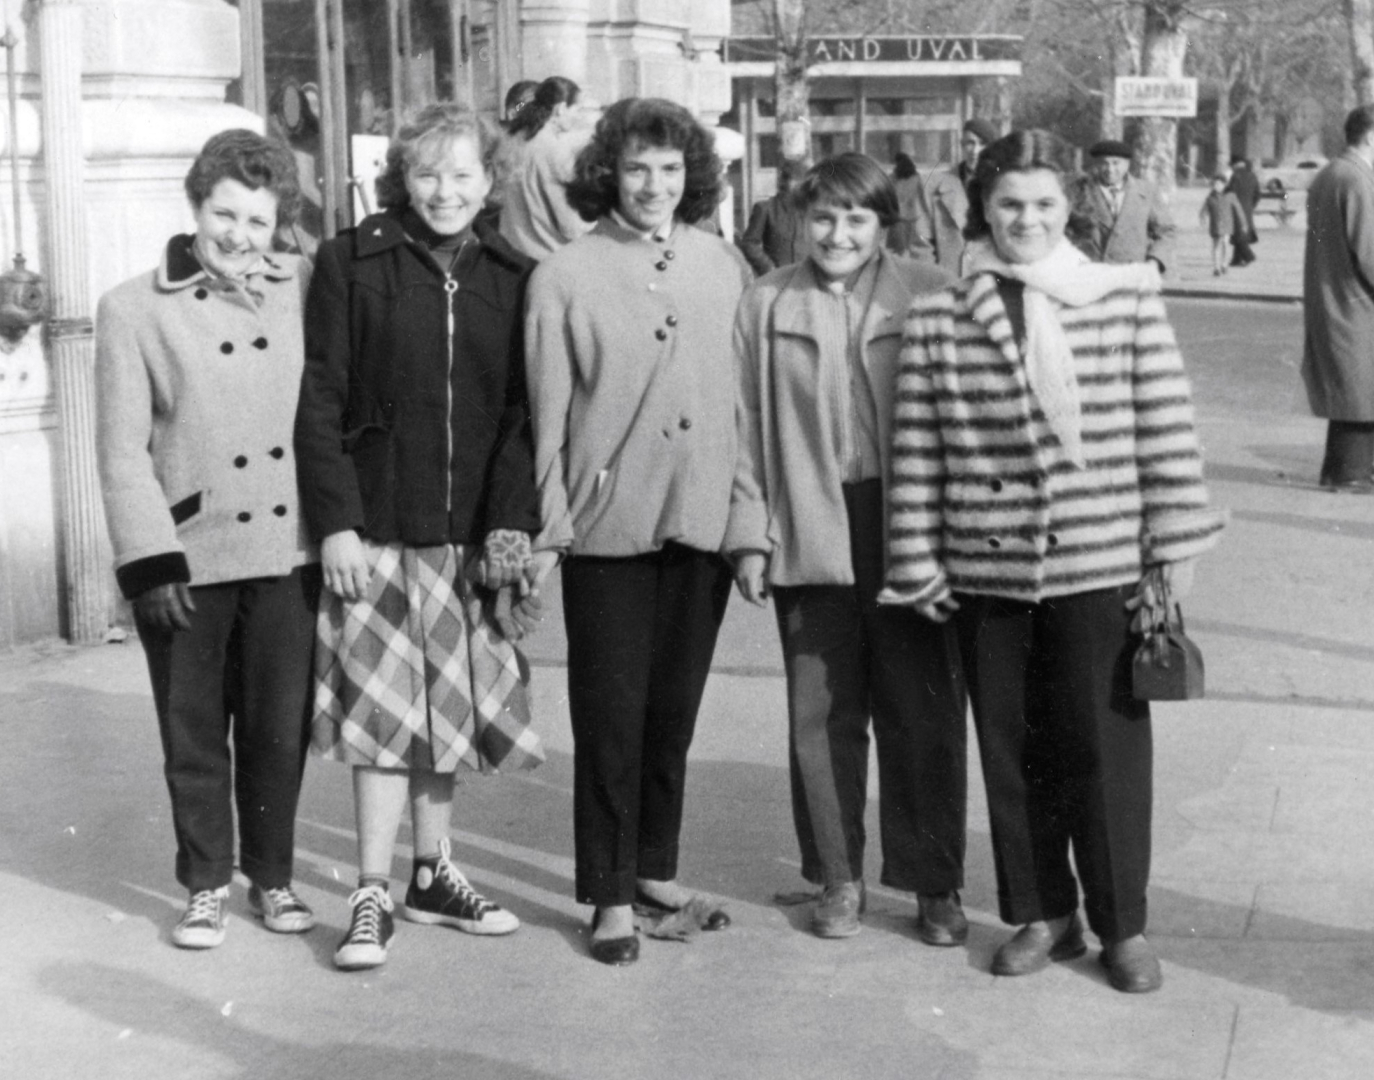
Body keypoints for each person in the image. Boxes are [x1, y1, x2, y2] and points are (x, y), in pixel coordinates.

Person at [880, 130, 1226, 994]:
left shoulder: (1123, 297)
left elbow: (1165, 425)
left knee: (1104, 749)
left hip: (1098, 555)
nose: (1024, 220)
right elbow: (918, 448)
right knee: (1011, 749)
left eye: (1040, 204)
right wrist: (916, 557)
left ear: (1067, 206)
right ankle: (1042, 911)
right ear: (980, 208)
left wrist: (1172, 543)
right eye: (1007, 205)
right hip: (984, 565)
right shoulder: (938, 315)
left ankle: (1121, 924)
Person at [294, 103, 545, 972]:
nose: (445, 191)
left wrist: (508, 526)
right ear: (403, 177)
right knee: (382, 715)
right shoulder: (350, 262)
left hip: (467, 532)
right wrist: (336, 523)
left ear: (489, 183)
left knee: (446, 714)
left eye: (463, 175)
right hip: (378, 531)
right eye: (429, 174)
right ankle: (370, 890)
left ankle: (433, 876)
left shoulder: (513, 277)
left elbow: (521, 415)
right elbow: (319, 400)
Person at [525, 97, 752, 966]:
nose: (655, 185)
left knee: (673, 714)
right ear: (606, 176)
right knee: (610, 717)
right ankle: (610, 896)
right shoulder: (565, 276)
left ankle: (654, 871)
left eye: (669, 169)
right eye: (636, 169)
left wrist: (745, 524)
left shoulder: (721, 264)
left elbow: (742, 406)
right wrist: (549, 531)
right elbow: (547, 417)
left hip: (698, 523)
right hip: (606, 530)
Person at [727, 153, 967, 944]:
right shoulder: (763, 302)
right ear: (798, 218)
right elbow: (744, 430)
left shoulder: (929, 290)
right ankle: (836, 875)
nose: (836, 234)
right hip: (808, 519)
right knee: (821, 710)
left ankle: (933, 883)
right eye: (822, 217)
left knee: (921, 707)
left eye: (855, 219)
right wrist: (750, 537)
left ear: (881, 225)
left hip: (908, 526)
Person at [95, 129, 320, 950]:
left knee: (275, 728)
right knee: (192, 732)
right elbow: (121, 450)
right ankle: (203, 885)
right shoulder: (132, 308)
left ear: (279, 226)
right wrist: (149, 560)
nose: (238, 236)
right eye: (224, 214)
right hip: (187, 556)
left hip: (287, 547)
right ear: (197, 206)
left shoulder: (303, 285)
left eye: (257, 222)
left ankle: (272, 877)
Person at [1302, 104, 1374, 495]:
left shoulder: (1331, 174)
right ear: (1371, 136)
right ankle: (1352, 474)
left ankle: (1339, 469)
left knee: (1349, 386)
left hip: (1337, 296)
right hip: (1359, 302)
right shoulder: (1357, 180)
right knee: (1363, 386)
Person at [498, 75, 595, 259]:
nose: (580, 117)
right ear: (560, 109)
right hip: (545, 260)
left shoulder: (513, 138)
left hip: (509, 254)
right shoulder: (555, 150)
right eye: (578, 109)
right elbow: (571, 227)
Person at [910, 117, 996, 273]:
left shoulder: (1003, 188)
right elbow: (921, 247)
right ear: (961, 145)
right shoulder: (932, 187)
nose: (975, 151)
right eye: (970, 143)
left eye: (983, 144)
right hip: (948, 285)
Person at [1076, 140, 1177, 272]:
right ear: (1096, 164)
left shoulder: (1147, 192)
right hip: (1089, 276)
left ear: (1127, 164)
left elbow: (1166, 232)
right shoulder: (1079, 192)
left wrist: (1154, 262)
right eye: (1104, 163)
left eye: (1115, 163)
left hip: (1132, 277)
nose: (1110, 169)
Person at [739, 157, 812, 275]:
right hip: (777, 279)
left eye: (803, 180)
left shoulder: (811, 209)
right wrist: (769, 268)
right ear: (783, 181)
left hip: (807, 279)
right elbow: (749, 243)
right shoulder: (765, 208)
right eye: (795, 179)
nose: (799, 184)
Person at [1199, 172, 1247, 277]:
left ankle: (1224, 264)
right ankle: (1216, 267)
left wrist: (1243, 224)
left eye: (1219, 184)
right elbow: (1204, 210)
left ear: (1224, 185)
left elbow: (1239, 210)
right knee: (1216, 245)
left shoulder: (1230, 196)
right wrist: (1202, 218)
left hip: (1227, 224)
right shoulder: (1210, 197)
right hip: (1215, 225)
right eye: (1214, 184)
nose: (1216, 186)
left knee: (1225, 243)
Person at [1226, 156, 1261, 267]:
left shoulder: (1235, 176)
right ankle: (1236, 259)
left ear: (1235, 165)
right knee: (1241, 233)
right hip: (1248, 208)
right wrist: (1252, 205)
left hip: (1236, 208)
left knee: (1238, 234)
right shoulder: (1252, 175)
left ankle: (1249, 255)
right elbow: (1257, 194)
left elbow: (1231, 192)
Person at [885, 151, 922, 255]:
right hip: (912, 215)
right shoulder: (917, 177)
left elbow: (888, 193)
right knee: (910, 246)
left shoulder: (893, 177)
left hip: (898, 215)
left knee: (897, 248)